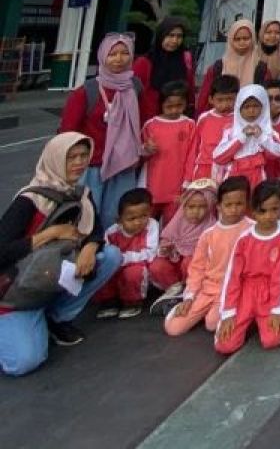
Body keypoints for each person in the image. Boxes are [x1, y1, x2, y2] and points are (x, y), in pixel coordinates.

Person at [0, 134, 121, 374]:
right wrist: (50, 233)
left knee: (110, 256)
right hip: (17, 291)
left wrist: (90, 247)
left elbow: (94, 230)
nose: (79, 163)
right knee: (22, 363)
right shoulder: (30, 200)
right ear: (55, 159)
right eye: (71, 157)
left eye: (83, 156)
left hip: (49, 277)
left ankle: (55, 317)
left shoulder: (80, 195)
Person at [59, 32, 143, 228]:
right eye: (113, 54)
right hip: (92, 165)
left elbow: (142, 120)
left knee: (118, 218)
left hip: (124, 165)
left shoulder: (134, 87)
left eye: (125, 53)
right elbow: (67, 132)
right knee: (86, 216)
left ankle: (111, 255)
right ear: (102, 56)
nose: (119, 59)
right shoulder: (86, 91)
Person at [163, 176, 252, 337]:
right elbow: (197, 268)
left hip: (233, 290)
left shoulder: (252, 229)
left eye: (239, 204)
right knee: (173, 328)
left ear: (246, 204)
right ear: (218, 206)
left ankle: (216, 312)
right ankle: (181, 302)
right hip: (207, 289)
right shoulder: (208, 234)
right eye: (228, 205)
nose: (234, 209)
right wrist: (190, 297)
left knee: (212, 324)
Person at [215, 180, 280, 354]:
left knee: (273, 339)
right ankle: (246, 320)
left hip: (270, 291)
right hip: (246, 291)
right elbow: (233, 277)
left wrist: (277, 309)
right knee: (224, 345)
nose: (269, 216)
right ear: (253, 210)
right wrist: (228, 313)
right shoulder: (244, 238)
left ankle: (263, 319)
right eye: (263, 211)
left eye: (275, 209)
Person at [148, 179, 216, 313]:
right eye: (191, 207)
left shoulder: (212, 227)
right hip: (175, 270)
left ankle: (187, 292)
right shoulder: (177, 220)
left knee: (190, 261)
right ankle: (174, 290)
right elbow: (166, 241)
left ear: (209, 207)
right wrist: (166, 249)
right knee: (157, 265)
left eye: (202, 207)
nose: (196, 212)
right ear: (184, 206)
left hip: (193, 275)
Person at [139, 81, 195, 221]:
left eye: (179, 106)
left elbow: (192, 155)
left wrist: (187, 182)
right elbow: (140, 153)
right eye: (169, 106)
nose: (174, 110)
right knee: (147, 221)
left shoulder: (189, 124)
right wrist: (146, 149)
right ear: (161, 104)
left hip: (177, 187)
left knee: (171, 224)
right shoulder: (150, 125)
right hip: (152, 184)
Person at [213, 85, 280, 189]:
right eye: (247, 107)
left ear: (263, 107)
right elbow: (218, 157)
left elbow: (277, 152)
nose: (251, 111)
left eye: (256, 106)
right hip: (234, 176)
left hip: (258, 176)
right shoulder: (231, 131)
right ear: (239, 108)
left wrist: (261, 137)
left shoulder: (268, 131)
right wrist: (241, 137)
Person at [132, 17, 195, 118]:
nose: (175, 40)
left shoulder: (184, 64)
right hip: (147, 121)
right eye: (170, 35)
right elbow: (131, 95)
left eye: (179, 36)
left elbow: (190, 94)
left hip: (177, 119)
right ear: (161, 36)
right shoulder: (144, 63)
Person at [197, 19, 262, 112]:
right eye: (237, 39)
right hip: (220, 118)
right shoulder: (218, 67)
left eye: (246, 38)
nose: (242, 42)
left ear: (253, 39)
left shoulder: (260, 68)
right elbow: (204, 99)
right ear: (230, 40)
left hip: (251, 118)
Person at [184, 75, 237, 185]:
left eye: (230, 99)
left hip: (229, 169)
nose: (225, 104)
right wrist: (188, 178)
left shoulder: (239, 119)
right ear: (211, 99)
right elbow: (194, 148)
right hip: (204, 168)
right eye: (220, 100)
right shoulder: (204, 118)